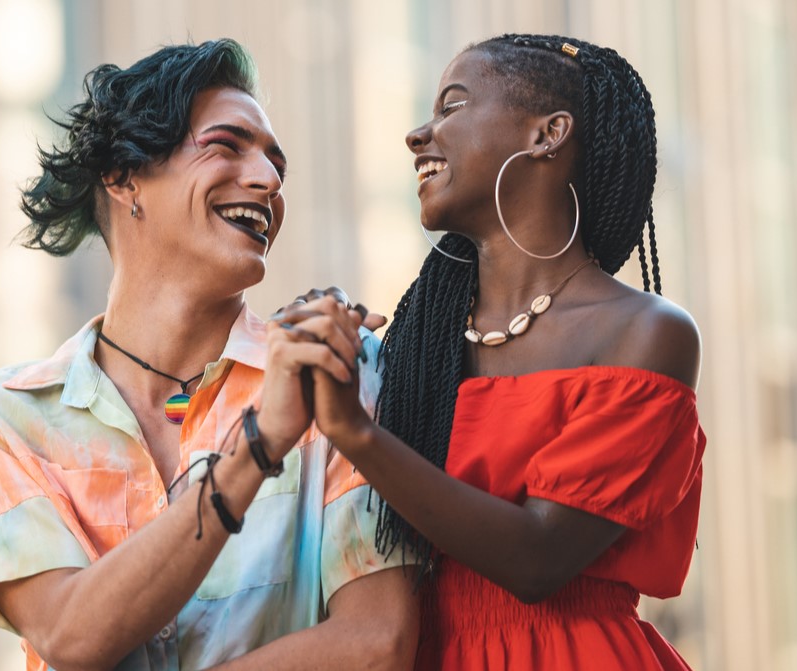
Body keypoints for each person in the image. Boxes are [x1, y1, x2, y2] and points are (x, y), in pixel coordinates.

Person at [0, 39, 418, 671]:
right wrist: (259, 446)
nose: (269, 180)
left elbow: (378, 644)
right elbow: (70, 636)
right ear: (123, 178)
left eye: (277, 164)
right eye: (226, 145)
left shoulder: (338, 373)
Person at [279, 34, 705, 669]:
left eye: (452, 106)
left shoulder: (645, 333)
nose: (418, 135)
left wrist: (358, 433)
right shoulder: (416, 349)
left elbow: (538, 560)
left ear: (547, 134)